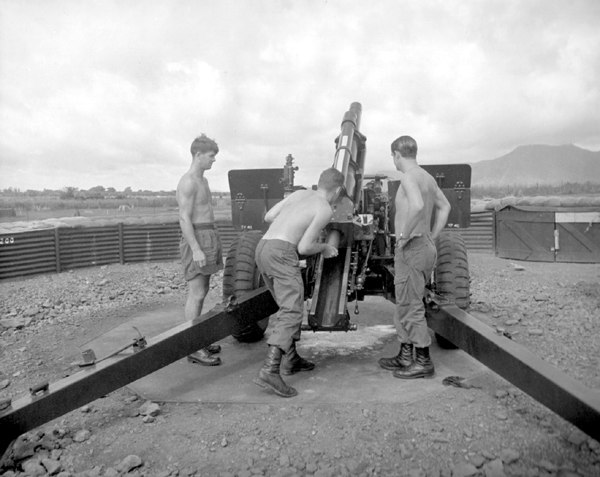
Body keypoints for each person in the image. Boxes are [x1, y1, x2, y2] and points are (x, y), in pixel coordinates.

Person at [253, 167, 344, 397]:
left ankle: (291, 359)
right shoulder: (324, 208)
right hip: (282, 253)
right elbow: (304, 248)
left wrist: (291, 223)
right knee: (292, 310)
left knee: (285, 307)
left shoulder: (299, 194)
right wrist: (324, 247)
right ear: (339, 189)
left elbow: (268, 216)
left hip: (263, 247)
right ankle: (270, 370)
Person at [379, 135, 451, 379]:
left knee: (410, 305)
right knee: (405, 301)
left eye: (393, 157)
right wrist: (431, 234)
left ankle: (423, 361)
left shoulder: (409, 177)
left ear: (397, 154)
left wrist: (404, 235)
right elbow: (445, 207)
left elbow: (418, 206)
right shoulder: (427, 177)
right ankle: (406, 354)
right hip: (423, 244)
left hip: (412, 247)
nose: (394, 161)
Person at [176, 134, 224, 366]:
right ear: (198, 154)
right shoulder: (188, 182)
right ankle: (192, 347)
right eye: (211, 156)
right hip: (196, 236)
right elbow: (184, 218)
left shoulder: (203, 181)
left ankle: (198, 341)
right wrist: (196, 249)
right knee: (195, 293)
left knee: (203, 291)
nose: (213, 161)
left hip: (209, 234)